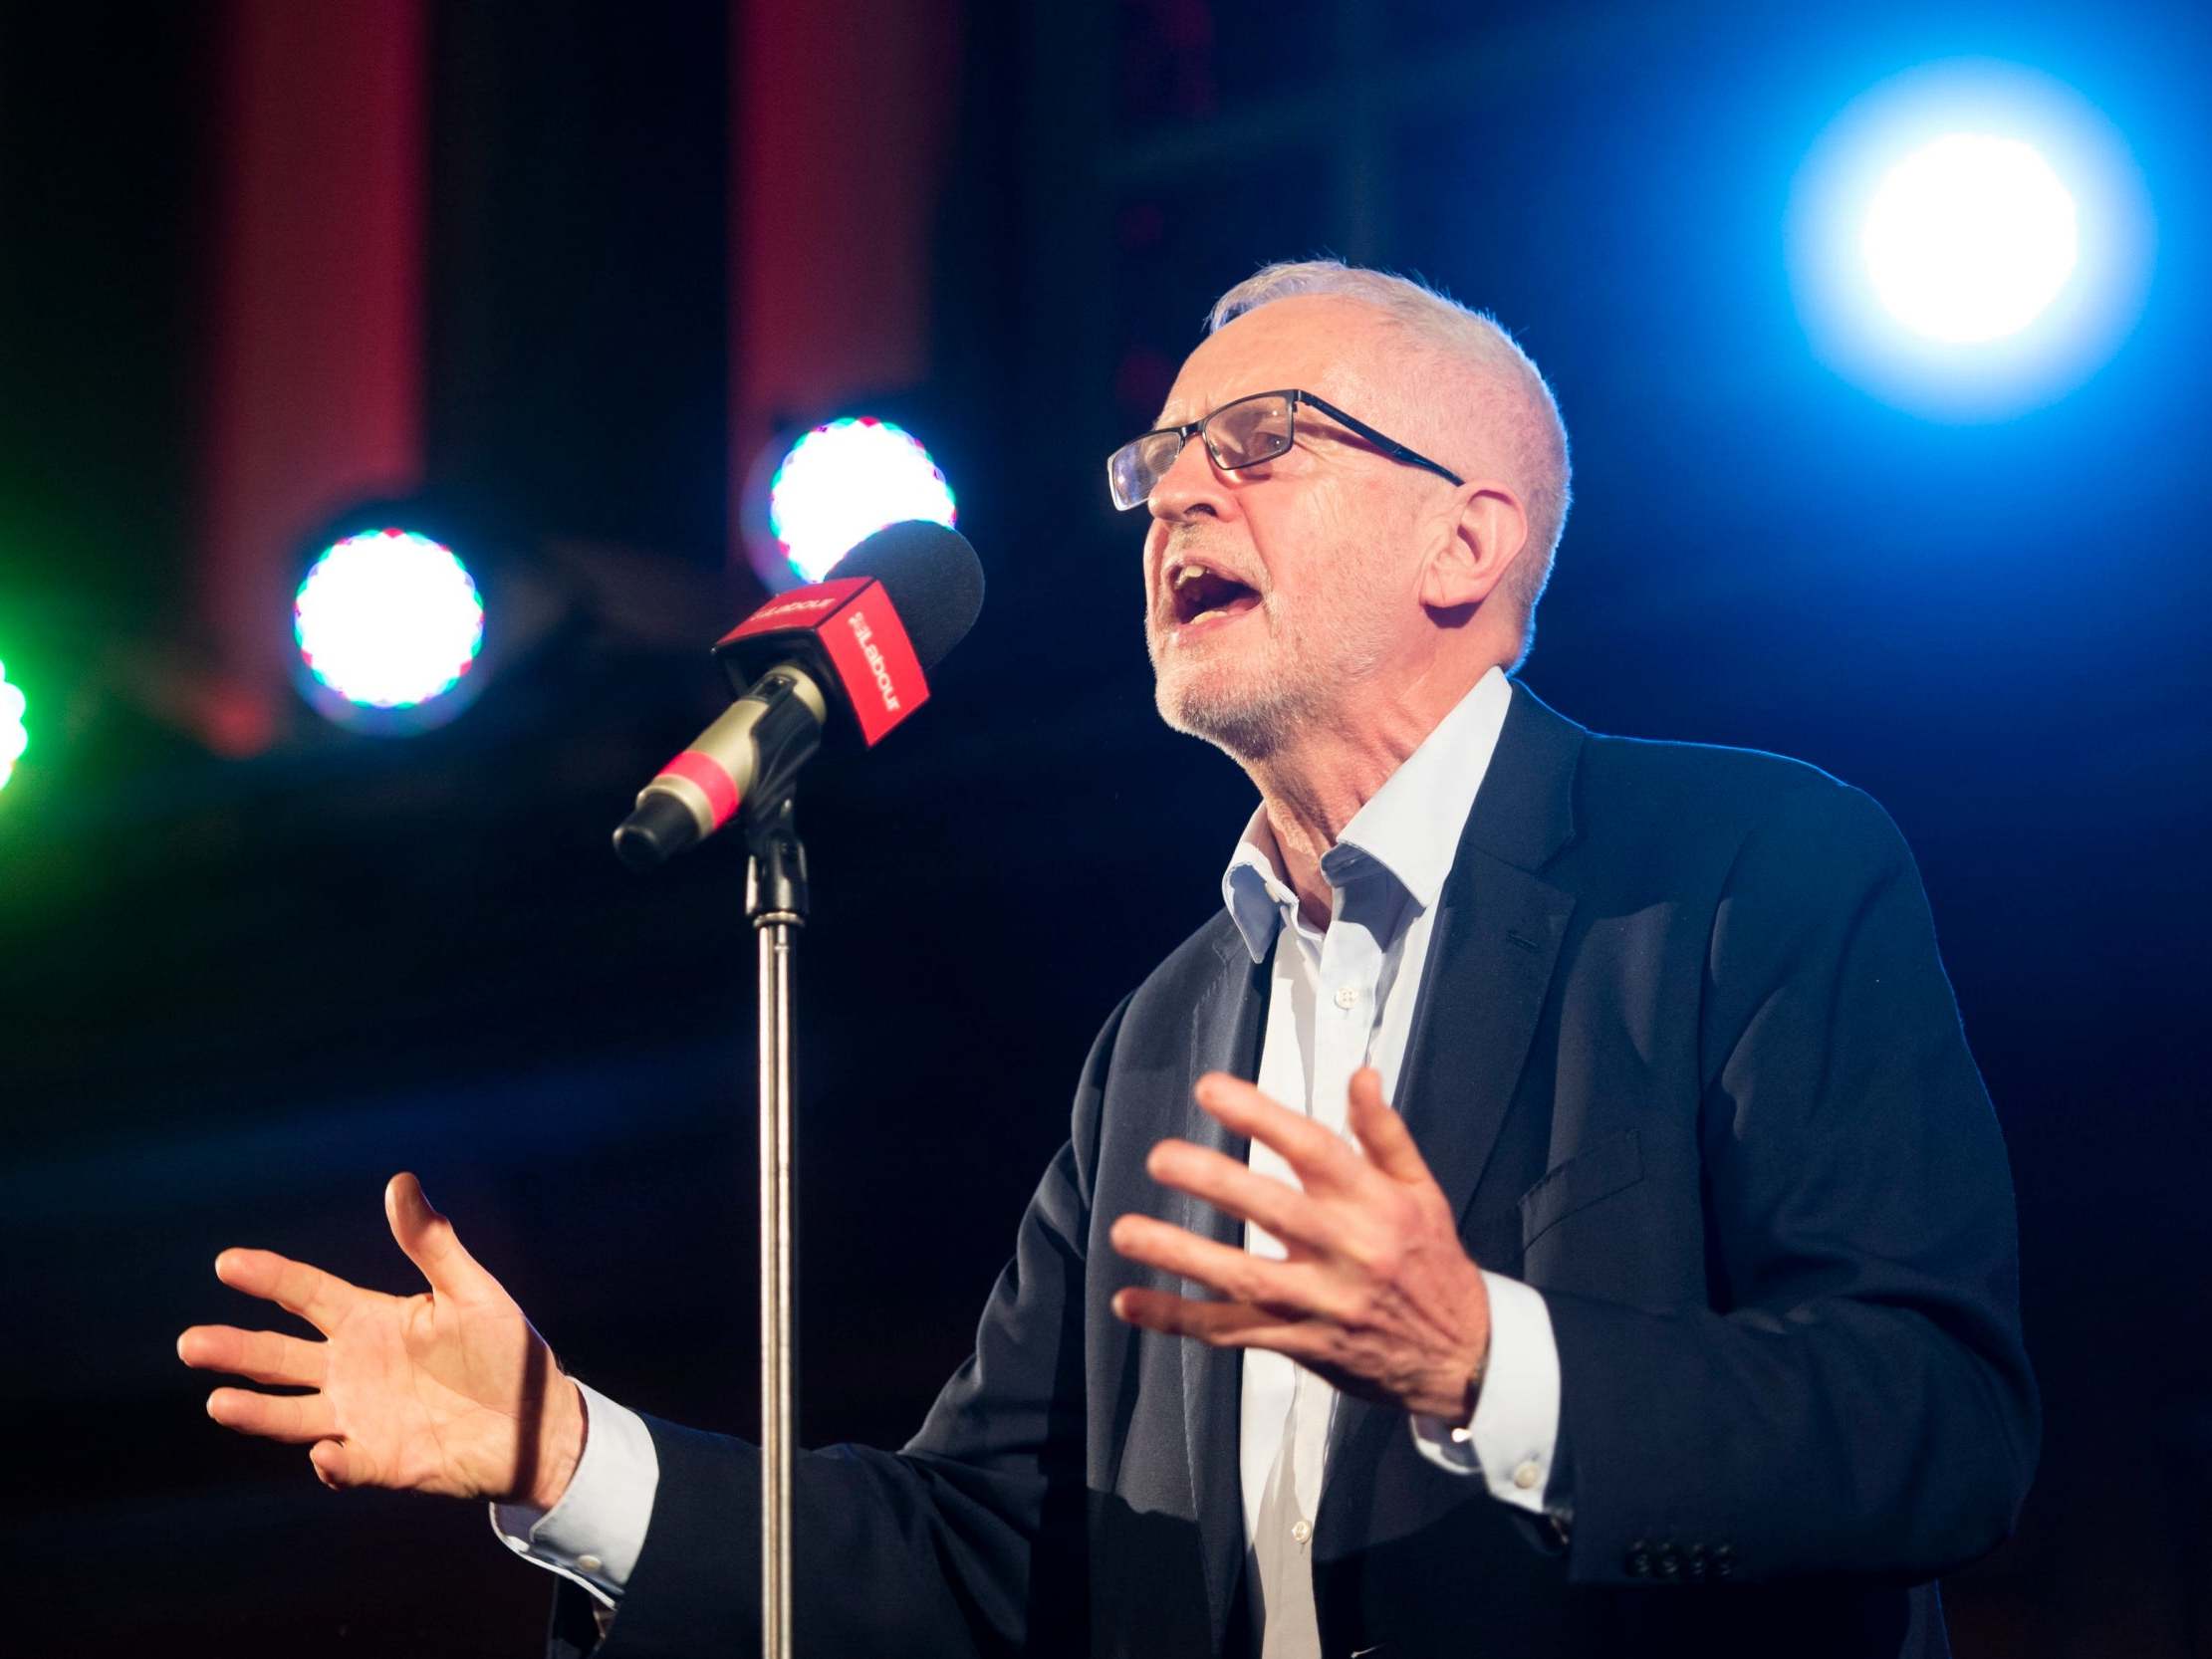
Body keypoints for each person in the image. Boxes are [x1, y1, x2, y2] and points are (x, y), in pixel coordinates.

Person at [178, 261, 2038, 1658]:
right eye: (1157, 460)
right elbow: (991, 1552)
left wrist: (1489, 1361)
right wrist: (562, 1450)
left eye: (1259, 445)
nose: (1172, 499)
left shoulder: (1742, 869)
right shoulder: (1165, 1036)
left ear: (1467, 537)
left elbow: (1933, 1426)